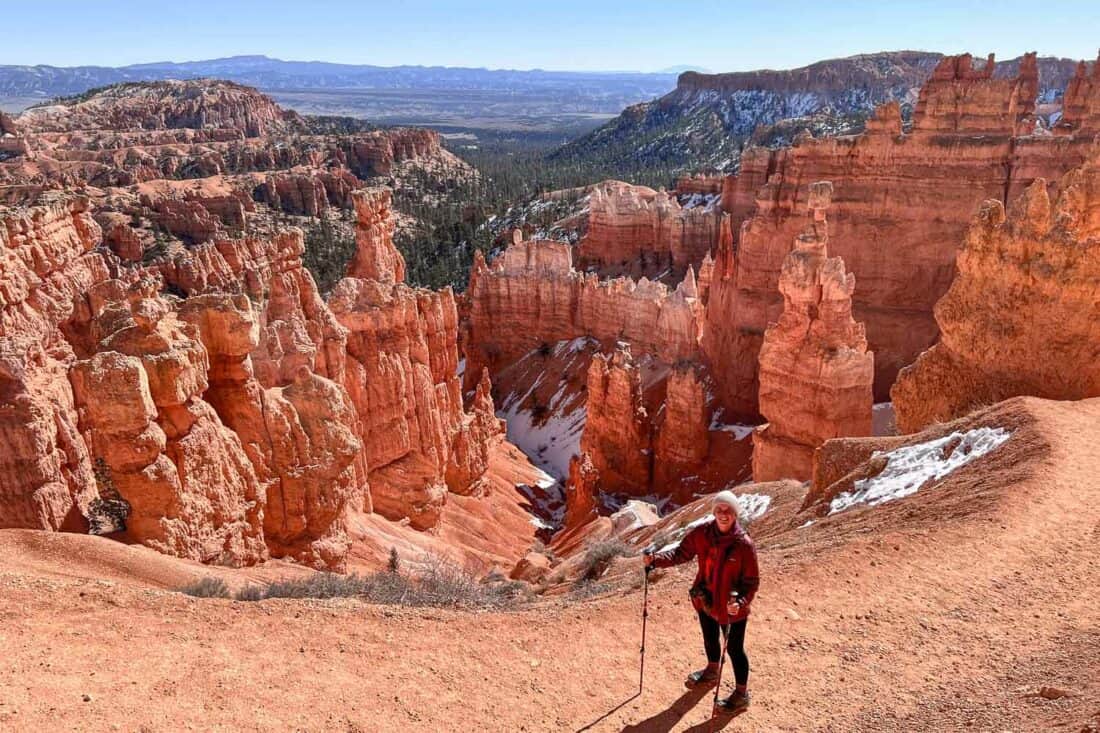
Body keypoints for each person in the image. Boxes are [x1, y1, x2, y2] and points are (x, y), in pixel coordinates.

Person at [643, 490, 760, 712]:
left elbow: (752, 581)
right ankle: (712, 669)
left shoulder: (744, 545)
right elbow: (680, 554)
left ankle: (742, 694)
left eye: (728, 510)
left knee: (735, 649)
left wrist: (741, 602)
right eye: (719, 510)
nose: (723, 514)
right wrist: (654, 560)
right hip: (705, 599)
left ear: (735, 514)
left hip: (732, 609)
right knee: (709, 637)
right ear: (714, 512)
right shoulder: (702, 534)